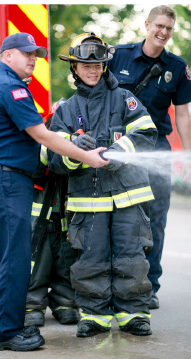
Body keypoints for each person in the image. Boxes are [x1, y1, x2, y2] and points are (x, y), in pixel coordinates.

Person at [0, 32, 108, 351]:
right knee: (15, 257)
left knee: (0, 255)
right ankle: (8, 331)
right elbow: (43, 136)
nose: (33, 58)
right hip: (8, 182)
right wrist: (87, 155)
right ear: (8, 55)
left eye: (36, 54)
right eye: (26, 53)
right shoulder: (10, 86)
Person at [51, 32, 157, 337]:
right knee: (90, 258)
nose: (93, 69)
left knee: (130, 255)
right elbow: (53, 159)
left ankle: (133, 312)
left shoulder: (125, 98)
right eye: (86, 64)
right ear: (74, 67)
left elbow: (147, 134)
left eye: (97, 64)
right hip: (88, 200)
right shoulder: (65, 111)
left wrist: (120, 152)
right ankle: (95, 315)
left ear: (105, 65)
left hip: (128, 195)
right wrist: (74, 149)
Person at [107, 5, 191, 310]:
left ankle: (149, 286)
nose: (163, 33)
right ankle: (113, 282)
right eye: (158, 26)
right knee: (115, 217)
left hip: (156, 146)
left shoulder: (178, 68)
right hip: (118, 146)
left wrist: (187, 155)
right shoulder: (119, 56)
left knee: (156, 219)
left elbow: (182, 114)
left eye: (168, 28)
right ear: (146, 25)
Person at [24, 100, 80, 328]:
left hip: (65, 221)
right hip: (41, 220)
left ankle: (65, 303)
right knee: (38, 265)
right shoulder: (40, 144)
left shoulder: (76, 147)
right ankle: (32, 306)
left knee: (66, 263)